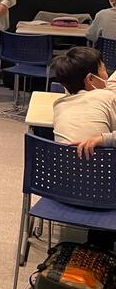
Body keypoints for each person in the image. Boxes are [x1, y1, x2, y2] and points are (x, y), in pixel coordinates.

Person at [50, 47, 116, 250]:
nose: (107, 74)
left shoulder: (58, 105)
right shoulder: (107, 98)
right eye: (103, 69)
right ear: (90, 79)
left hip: (63, 191)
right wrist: (104, 139)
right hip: (106, 196)